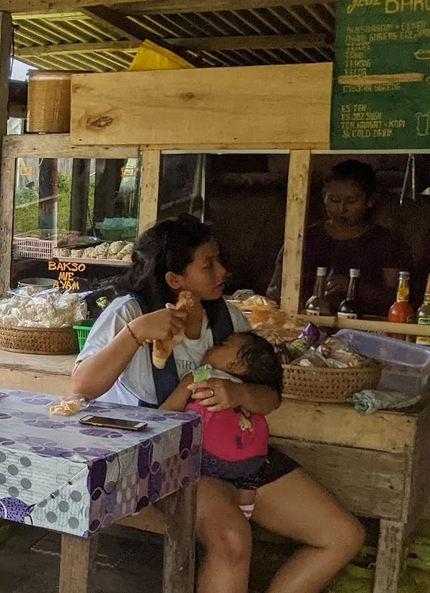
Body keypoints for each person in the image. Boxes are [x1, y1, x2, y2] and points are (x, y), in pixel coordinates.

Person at [72, 215, 364, 593]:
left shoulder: (229, 318)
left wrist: (239, 394)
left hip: (238, 453)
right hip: (165, 458)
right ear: (174, 280)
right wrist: (137, 333)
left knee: (342, 536)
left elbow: (270, 395)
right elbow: (82, 386)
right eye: (208, 264)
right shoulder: (129, 313)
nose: (222, 271)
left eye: (218, 260)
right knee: (232, 541)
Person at [161, 332, 282, 522]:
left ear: (235, 365)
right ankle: (245, 512)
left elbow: (167, 413)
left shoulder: (200, 376)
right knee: (250, 478)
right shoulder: (246, 389)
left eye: (223, 344)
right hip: (251, 460)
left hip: (206, 458)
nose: (212, 346)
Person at [267, 159, 411, 316]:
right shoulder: (303, 238)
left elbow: (397, 298)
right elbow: (275, 286)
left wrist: (352, 286)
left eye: (351, 201)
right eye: (334, 200)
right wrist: (278, 297)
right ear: (324, 196)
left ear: (370, 200)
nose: (341, 209)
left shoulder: (387, 242)